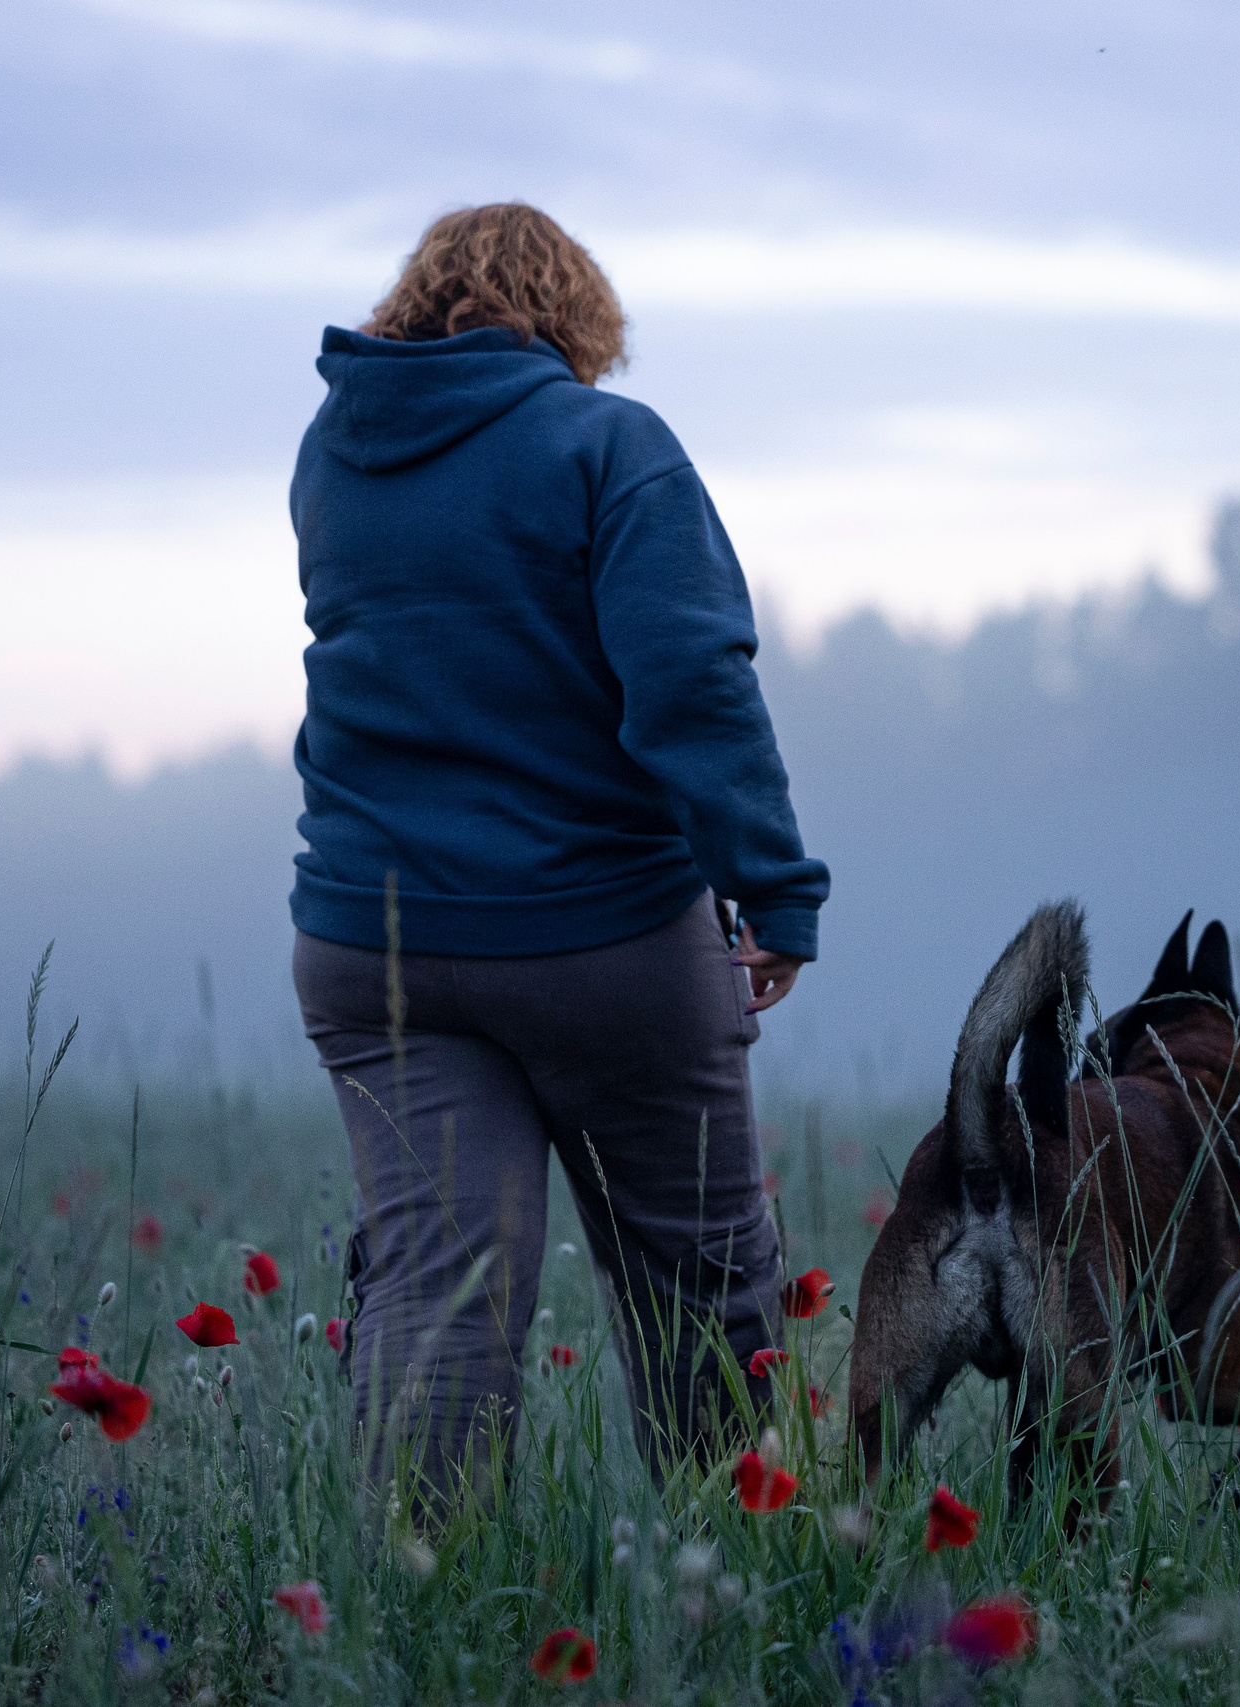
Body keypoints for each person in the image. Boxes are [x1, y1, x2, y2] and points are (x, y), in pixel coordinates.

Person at [287, 203, 829, 1501]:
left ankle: (417, 1610)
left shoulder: (335, 457)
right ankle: (732, 1582)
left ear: (417, 305)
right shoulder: (609, 447)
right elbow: (692, 682)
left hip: (376, 946)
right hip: (605, 937)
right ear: (573, 319)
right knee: (704, 1290)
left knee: (436, 1294)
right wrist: (775, 888)